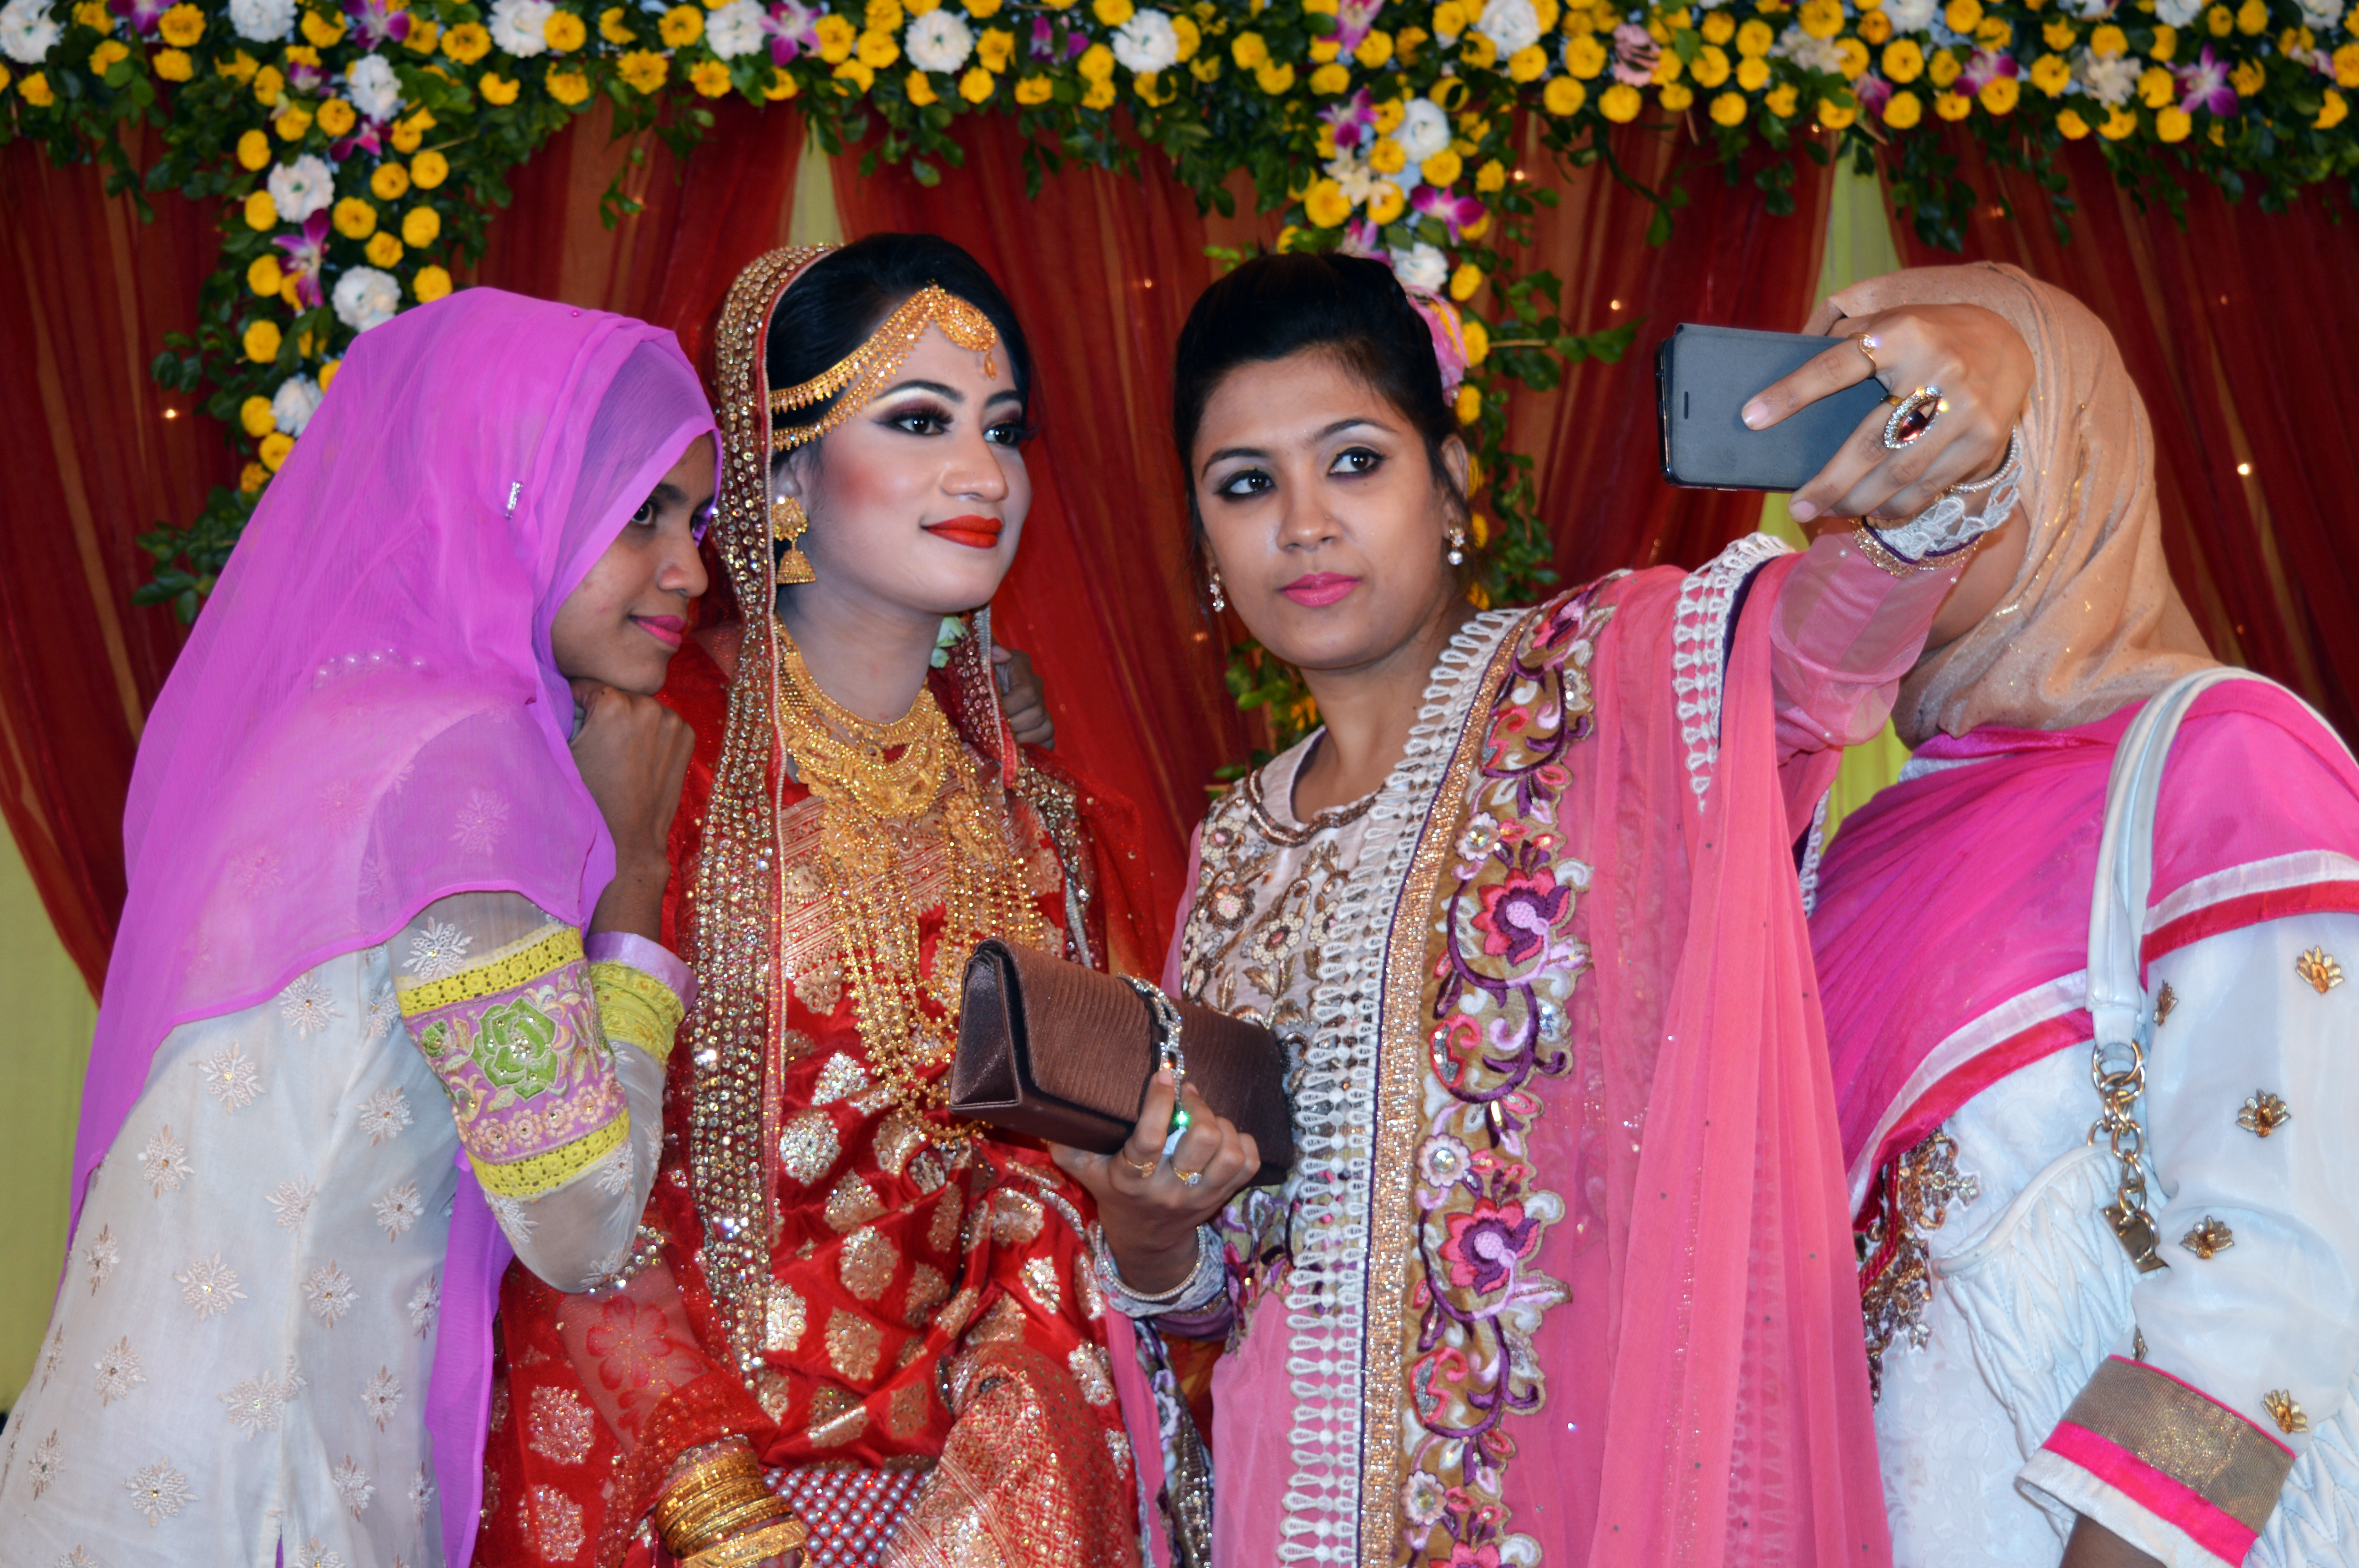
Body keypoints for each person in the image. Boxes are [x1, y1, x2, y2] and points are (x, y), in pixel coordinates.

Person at [1054, 250, 2039, 1568]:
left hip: (1574, 1508)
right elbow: (1223, 1287)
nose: (1302, 522)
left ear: (1452, 479)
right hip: (1285, 1519)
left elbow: (1822, 656)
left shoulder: (1605, 677)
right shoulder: (1235, 843)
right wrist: (1152, 1228)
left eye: (1354, 461)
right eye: (1246, 486)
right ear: (1204, 544)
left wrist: (1967, 420)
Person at [481, 236, 1169, 1568]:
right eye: (918, 422)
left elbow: (1100, 1197)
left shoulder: (1042, 822)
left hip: (997, 1508)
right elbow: (542, 1190)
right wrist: (721, 1515)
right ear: (783, 471)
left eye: (1004, 430)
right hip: (694, 1501)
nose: (982, 475)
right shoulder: (646, 767)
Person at [0, 291, 717, 1566]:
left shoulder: (336, 723)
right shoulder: (473, 768)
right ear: (509, 498)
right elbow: (580, 1222)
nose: (689, 569)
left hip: (122, 1464)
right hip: (264, 1492)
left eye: (696, 518)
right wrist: (638, 877)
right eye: (640, 514)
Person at [1810, 264, 2359, 1568]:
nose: (1896, 519)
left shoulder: (2230, 754)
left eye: (1949, 456)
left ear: (2070, 465)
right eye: (1861, 477)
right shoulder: (1868, 835)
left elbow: (2280, 1257)